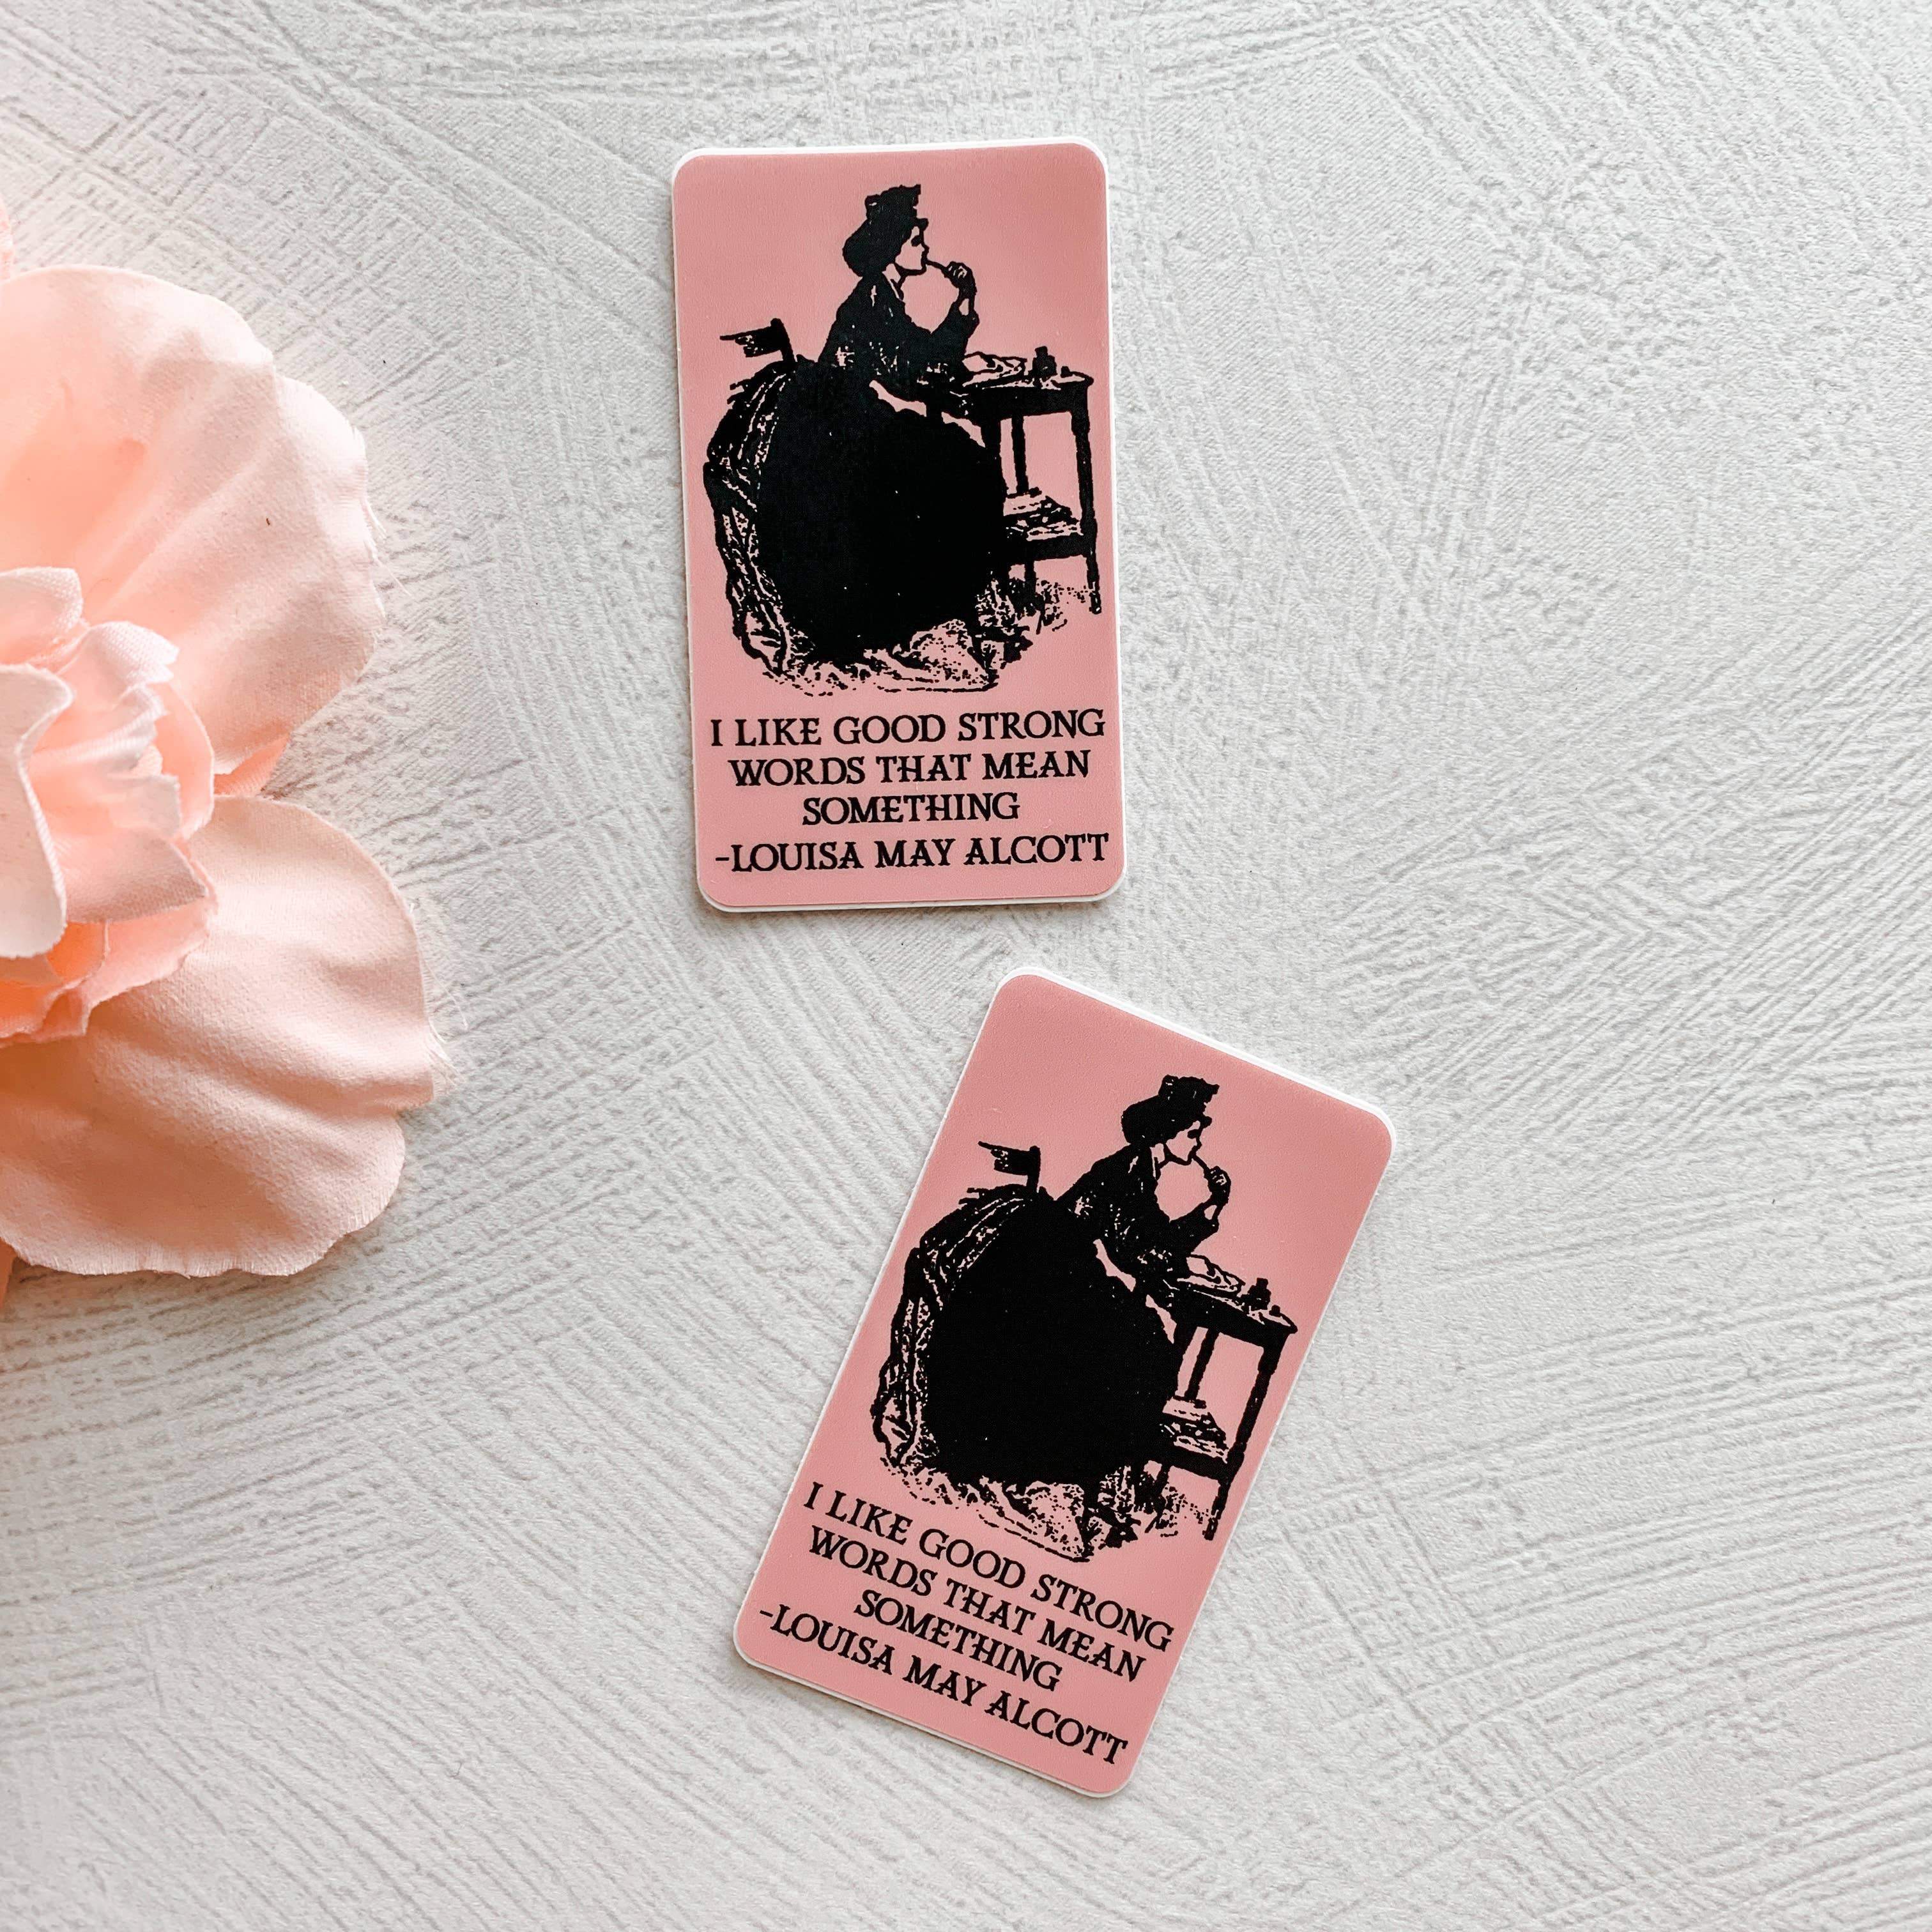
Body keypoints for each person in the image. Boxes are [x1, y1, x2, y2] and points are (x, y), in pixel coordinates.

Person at [703, 183, 1008, 675]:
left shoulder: (884, 295)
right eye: (916, 240)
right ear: (893, 250)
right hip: (832, 427)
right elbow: (909, 375)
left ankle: (945, 594)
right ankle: (923, 605)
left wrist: (963, 305)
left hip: (845, 417)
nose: (926, 248)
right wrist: (963, 312)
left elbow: (914, 357)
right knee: (960, 463)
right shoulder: (871, 299)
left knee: (946, 457)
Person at [1061, 1075, 1235, 1301]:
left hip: (1069, 1267)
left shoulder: (1142, 1168)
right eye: (1192, 1135)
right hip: (1057, 1273)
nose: (1197, 1144)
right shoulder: (1130, 1171)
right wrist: (1191, 1266)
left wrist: (1216, 1202)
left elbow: (1153, 1235)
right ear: (1167, 1133)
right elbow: (1139, 1255)